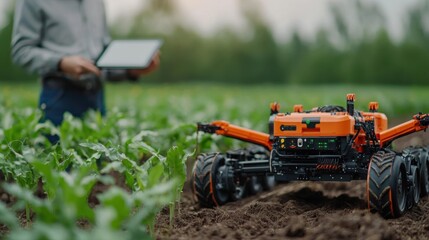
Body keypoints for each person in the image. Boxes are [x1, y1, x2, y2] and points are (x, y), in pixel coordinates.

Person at [11, 0, 159, 129]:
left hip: (97, 98)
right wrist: (61, 62)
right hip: (59, 97)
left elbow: (102, 59)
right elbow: (21, 50)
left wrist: (131, 71)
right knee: (58, 159)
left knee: (98, 160)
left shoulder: (96, 2)